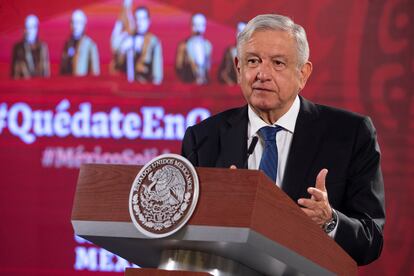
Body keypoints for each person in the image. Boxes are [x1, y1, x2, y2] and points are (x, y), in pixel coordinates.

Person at [181, 14, 385, 266]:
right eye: (253, 61)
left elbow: (371, 240)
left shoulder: (351, 134)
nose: (262, 74)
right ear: (238, 68)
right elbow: (184, 232)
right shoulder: (203, 138)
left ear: (303, 73)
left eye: (278, 63)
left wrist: (329, 221)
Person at [111, 6, 163, 84]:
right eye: (137, 19)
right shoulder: (127, 39)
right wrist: (122, 50)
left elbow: (157, 74)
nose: (139, 22)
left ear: (148, 21)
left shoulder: (154, 42)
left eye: (142, 19)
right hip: (125, 87)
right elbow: (116, 66)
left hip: (145, 88)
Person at [60, 9, 100, 76]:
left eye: (78, 22)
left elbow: (95, 72)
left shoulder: (90, 44)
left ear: (84, 24)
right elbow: (62, 69)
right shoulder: (67, 44)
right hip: (68, 83)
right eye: (73, 22)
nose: (75, 26)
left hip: (84, 84)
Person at [175, 13, 212, 85]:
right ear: (191, 25)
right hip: (188, 84)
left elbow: (208, 66)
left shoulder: (207, 45)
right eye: (195, 25)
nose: (198, 29)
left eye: (201, 25)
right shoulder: (183, 45)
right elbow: (178, 67)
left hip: (205, 85)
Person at [11, 14, 50, 79]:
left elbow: (46, 72)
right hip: (22, 83)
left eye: (32, 27)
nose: (29, 30)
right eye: (27, 27)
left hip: (39, 83)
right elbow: (14, 73)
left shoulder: (42, 46)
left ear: (37, 28)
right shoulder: (18, 47)